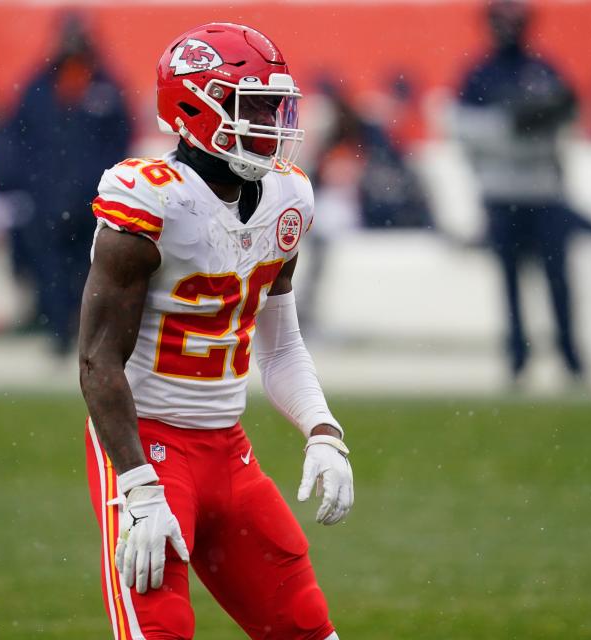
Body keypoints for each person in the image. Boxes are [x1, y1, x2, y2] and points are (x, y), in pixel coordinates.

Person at [78, 23, 353, 640]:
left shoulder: (287, 198)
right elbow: (97, 362)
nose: (270, 122)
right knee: (162, 631)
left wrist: (322, 429)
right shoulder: (150, 201)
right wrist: (136, 485)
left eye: (274, 106)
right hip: (148, 446)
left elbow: (279, 344)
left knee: (307, 629)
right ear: (191, 108)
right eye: (251, 106)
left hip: (228, 449)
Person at [455, 0, 589, 383]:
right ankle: (517, 358)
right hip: (502, 193)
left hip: (544, 193)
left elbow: (569, 114)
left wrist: (541, 120)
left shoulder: (542, 69)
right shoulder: (480, 75)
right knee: (510, 281)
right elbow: (467, 132)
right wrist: (512, 127)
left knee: (558, 278)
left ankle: (570, 356)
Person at [0, 13, 131, 355]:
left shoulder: (105, 86)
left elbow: (120, 139)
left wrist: (99, 180)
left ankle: (84, 334)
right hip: (47, 196)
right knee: (49, 268)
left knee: (91, 269)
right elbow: (17, 137)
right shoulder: (39, 85)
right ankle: (57, 331)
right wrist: (24, 183)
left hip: (92, 198)